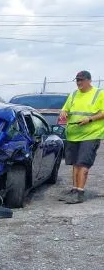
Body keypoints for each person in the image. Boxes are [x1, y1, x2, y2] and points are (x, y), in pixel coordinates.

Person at [58, 70, 104, 204]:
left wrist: (90, 119)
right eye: (77, 80)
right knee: (75, 163)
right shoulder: (73, 94)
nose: (79, 83)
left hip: (90, 134)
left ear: (89, 80)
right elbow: (65, 108)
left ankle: (80, 192)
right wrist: (64, 112)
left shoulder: (99, 93)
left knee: (83, 163)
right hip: (73, 135)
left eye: (81, 80)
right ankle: (74, 190)